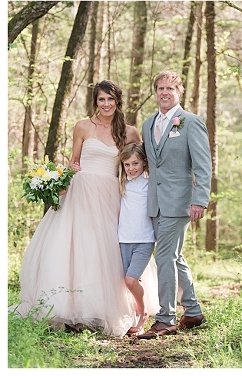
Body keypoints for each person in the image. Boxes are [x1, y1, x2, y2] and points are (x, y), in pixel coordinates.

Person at [15, 80, 145, 337]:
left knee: (105, 249)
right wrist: (62, 180)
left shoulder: (129, 132)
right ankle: (70, 307)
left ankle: (104, 307)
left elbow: (139, 166)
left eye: (110, 99)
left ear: (118, 101)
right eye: (101, 100)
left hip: (111, 196)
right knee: (76, 246)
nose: (106, 104)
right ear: (95, 102)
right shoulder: (83, 126)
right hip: (80, 192)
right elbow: (74, 161)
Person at [137, 70, 212, 339]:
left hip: (180, 201)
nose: (164, 93)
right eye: (160, 88)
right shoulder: (147, 124)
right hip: (154, 202)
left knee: (165, 256)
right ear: (155, 92)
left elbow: (203, 165)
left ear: (179, 91)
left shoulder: (190, 122)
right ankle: (192, 310)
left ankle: (166, 318)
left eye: (170, 88)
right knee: (175, 255)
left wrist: (200, 200)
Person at [117, 143, 161, 335]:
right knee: (126, 282)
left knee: (130, 280)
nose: (131, 168)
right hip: (123, 239)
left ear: (144, 162)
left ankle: (142, 314)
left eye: (135, 163)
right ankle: (132, 313)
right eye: (127, 164)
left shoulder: (150, 184)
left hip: (144, 240)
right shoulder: (121, 183)